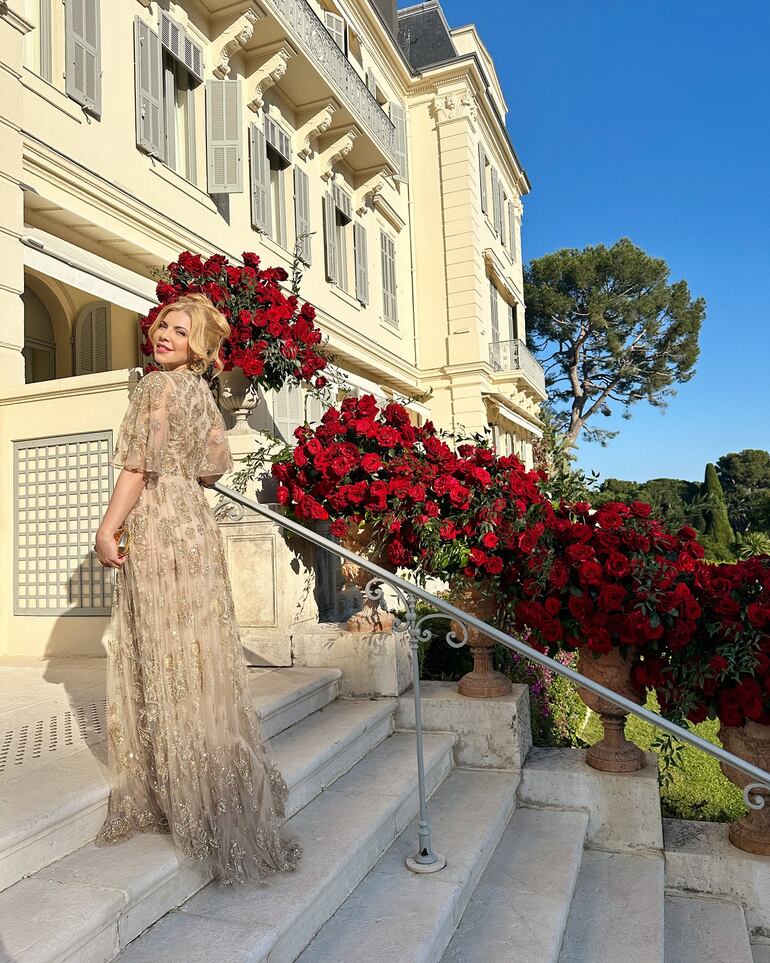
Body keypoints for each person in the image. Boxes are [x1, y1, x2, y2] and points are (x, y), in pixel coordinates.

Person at [93, 293, 301, 886]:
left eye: (179, 332)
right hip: (194, 523)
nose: (164, 335)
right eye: (164, 325)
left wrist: (109, 527)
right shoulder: (202, 395)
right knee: (195, 654)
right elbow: (218, 464)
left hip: (159, 523)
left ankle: (176, 789)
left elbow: (136, 467)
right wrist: (182, 470)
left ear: (197, 345)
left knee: (164, 652)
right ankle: (207, 785)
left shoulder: (155, 390)